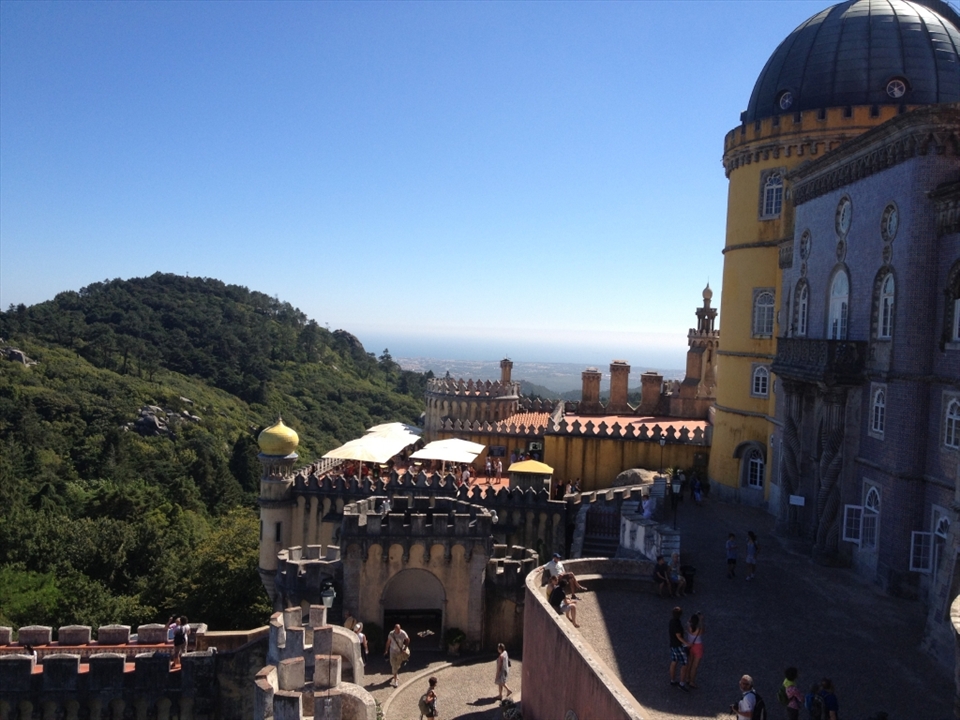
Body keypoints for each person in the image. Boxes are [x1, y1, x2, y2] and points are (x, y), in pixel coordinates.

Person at [668, 606, 690, 690]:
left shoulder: (671, 621)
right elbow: (679, 636)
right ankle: (681, 683)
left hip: (672, 644)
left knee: (674, 661)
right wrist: (686, 643)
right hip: (678, 646)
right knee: (684, 664)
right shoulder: (677, 623)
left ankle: (672, 680)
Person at [384, 623, 410, 688]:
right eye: (397, 630)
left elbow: (408, 639)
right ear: (394, 629)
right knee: (393, 664)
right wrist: (386, 650)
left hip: (399, 652)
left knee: (397, 665)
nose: (398, 631)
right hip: (392, 651)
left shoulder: (403, 633)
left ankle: (395, 676)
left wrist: (405, 647)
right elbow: (388, 642)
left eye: (399, 630)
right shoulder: (391, 634)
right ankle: (395, 678)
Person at [685, 612, 704, 688]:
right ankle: (692, 681)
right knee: (695, 666)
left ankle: (687, 678)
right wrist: (701, 620)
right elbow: (704, 629)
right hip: (698, 646)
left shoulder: (688, 627)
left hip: (690, 645)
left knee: (689, 663)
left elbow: (689, 621)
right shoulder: (699, 630)